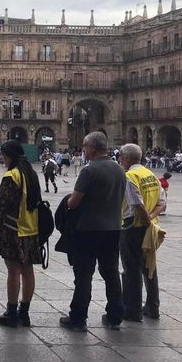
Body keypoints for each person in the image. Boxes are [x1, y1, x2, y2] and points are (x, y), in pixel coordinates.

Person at [59, 132, 126, 332]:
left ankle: (78, 317)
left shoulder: (89, 171)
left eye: (85, 147)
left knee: (84, 274)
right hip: (113, 229)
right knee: (111, 273)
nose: (83, 150)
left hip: (88, 229)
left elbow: (74, 202)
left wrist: (68, 201)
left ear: (93, 148)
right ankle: (115, 316)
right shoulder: (120, 169)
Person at [0, 140, 42, 327]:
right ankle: (24, 312)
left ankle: (11, 312)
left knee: (14, 270)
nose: (2, 158)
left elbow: (4, 203)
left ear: (9, 155)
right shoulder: (31, 173)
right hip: (31, 228)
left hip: (14, 229)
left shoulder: (12, 175)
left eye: (3, 155)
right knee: (28, 270)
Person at [119, 143, 166, 322]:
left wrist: (146, 220)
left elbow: (137, 203)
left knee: (132, 269)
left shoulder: (130, 176)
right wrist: (152, 218)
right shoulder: (151, 175)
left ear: (128, 159)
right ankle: (153, 307)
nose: (120, 160)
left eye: (121, 157)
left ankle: (133, 310)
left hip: (133, 228)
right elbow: (162, 203)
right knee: (150, 267)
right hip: (151, 227)